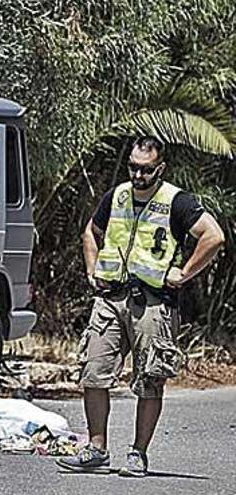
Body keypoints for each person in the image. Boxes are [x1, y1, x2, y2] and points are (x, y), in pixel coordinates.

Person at [57, 136, 225, 477]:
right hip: (110, 298)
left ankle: (138, 453)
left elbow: (214, 236)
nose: (137, 175)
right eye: (133, 167)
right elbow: (91, 231)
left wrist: (185, 273)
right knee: (93, 372)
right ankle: (96, 447)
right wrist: (92, 270)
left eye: (146, 169)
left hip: (152, 303)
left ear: (159, 168)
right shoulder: (116, 195)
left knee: (150, 378)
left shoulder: (177, 201)